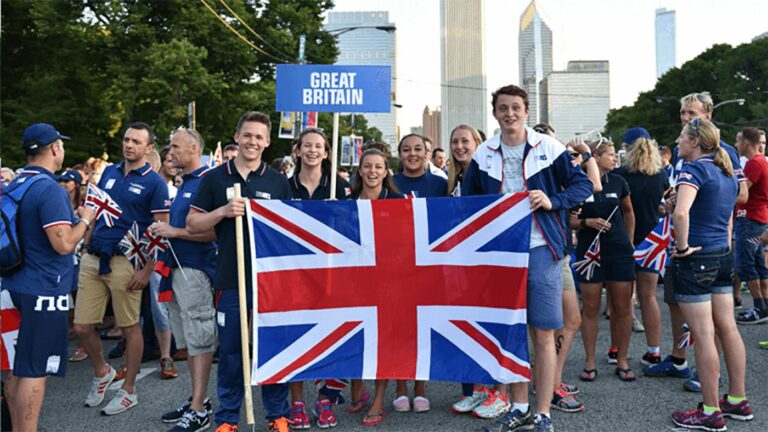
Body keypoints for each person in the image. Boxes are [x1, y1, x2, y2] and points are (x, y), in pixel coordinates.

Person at [462, 85, 592, 432]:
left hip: (541, 247)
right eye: (503, 108)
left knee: (544, 332)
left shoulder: (549, 148)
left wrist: (552, 200)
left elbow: (582, 187)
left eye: (516, 107)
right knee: (511, 332)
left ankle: (543, 412)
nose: (509, 114)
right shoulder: (483, 153)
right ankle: (519, 406)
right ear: (495, 113)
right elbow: (467, 203)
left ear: (526, 111)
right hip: (500, 252)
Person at [187, 111, 292, 432]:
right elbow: (192, 224)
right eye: (247, 135)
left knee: (271, 347)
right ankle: (228, 418)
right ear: (237, 136)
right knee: (232, 351)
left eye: (259, 137)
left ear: (268, 142)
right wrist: (222, 211)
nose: (253, 142)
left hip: (268, 281)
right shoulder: (216, 178)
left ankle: (277, 415)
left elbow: (289, 229)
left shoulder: (277, 181)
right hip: (231, 278)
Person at [645, 92, 747, 394]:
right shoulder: (685, 155)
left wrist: (690, 205)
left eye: (692, 114)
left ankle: (711, 391)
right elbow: (686, 195)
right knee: (682, 306)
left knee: (710, 327)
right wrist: (682, 196)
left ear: (708, 115)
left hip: (703, 245)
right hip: (703, 245)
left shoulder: (719, 151)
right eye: (683, 113)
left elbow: (740, 194)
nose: (686, 119)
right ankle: (681, 360)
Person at [73, 122, 170, 416]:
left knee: (129, 328)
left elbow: (160, 229)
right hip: (94, 256)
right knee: (81, 326)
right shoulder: (110, 172)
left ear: (148, 148)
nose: (129, 145)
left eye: (136, 142)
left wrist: (147, 270)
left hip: (127, 261)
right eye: (127, 140)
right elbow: (96, 209)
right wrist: (86, 243)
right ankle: (103, 371)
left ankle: (129, 390)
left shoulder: (155, 182)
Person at [3, 123, 95, 431]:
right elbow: (64, 243)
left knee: (19, 368)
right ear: (55, 148)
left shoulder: (14, 183)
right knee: (35, 370)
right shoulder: (49, 188)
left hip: (14, 283)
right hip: (44, 288)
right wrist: (84, 220)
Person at [669, 118, 753, 430]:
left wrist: (682, 247)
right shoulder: (727, 172)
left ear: (694, 142)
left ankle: (710, 410)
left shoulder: (693, 170)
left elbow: (681, 212)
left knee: (703, 334)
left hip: (697, 258)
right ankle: (737, 400)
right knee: (727, 328)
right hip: (722, 255)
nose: (678, 142)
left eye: (681, 137)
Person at [286, 128, 352, 429]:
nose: (312, 150)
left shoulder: (340, 187)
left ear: (327, 153)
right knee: (297, 338)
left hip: (333, 274)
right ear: (297, 151)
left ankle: (326, 399)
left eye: (319, 146)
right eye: (306, 146)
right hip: (295, 274)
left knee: (335, 338)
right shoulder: (282, 187)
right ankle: (296, 402)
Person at [153, 128, 218, 432]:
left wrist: (174, 232)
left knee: (199, 338)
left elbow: (217, 232)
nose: (171, 152)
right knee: (189, 341)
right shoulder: (186, 182)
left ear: (194, 148)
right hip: (178, 268)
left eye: (176, 146)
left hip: (196, 268)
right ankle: (197, 400)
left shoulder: (208, 181)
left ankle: (199, 409)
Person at [573, 139, 637, 383]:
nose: (615, 158)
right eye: (610, 154)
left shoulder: (619, 181)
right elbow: (569, 220)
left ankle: (622, 359)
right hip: (590, 251)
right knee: (590, 308)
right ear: (595, 156)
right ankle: (589, 361)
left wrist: (629, 241)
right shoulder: (578, 181)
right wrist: (585, 223)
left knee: (622, 309)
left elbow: (629, 211)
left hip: (619, 251)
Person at [349, 148, 404, 427]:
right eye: (367, 166)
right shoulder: (346, 202)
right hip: (354, 280)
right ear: (359, 170)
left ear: (386, 171)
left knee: (383, 340)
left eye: (378, 167)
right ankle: (357, 391)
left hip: (387, 281)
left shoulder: (398, 201)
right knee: (356, 335)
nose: (372, 171)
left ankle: (379, 399)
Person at [614, 127, 670, 367]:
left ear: (627, 148)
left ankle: (616, 349)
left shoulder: (619, 176)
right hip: (651, 241)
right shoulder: (661, 176)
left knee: (622, 302)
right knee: (649, 297)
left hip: (624, 240)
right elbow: (665, 203)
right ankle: (654, 350)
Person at [149, 145, 178, 380]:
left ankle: (177, 349)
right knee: (158, 305)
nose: (172, 163)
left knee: (172, 303)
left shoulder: (180, 189)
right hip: (152, 253)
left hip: (176, 252)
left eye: (174, 160)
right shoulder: (153, 187)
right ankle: (165, 355)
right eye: (167, 159)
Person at [734, 127, 768, 324]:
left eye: (738, 141)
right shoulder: (761, 161)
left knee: (745, 263)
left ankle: (759, 307)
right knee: (757, 263)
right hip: (757, 218)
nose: (736, 145)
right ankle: (763, 305)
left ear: (746, 142)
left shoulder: (755, 162)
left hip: (750, 218)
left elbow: (742, 191)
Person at [393, 134, 448, 199]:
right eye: (406, 150)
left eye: (418, 149)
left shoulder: (441, 184)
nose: (412, 153)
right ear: (400, 155)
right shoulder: (389, 184)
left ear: (425, 154)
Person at [446, 125, 481, 197]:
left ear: (477, 143)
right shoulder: (452, 181)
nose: (459, 146)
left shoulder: (485, 177)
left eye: (465, 141)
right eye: (455, 142)